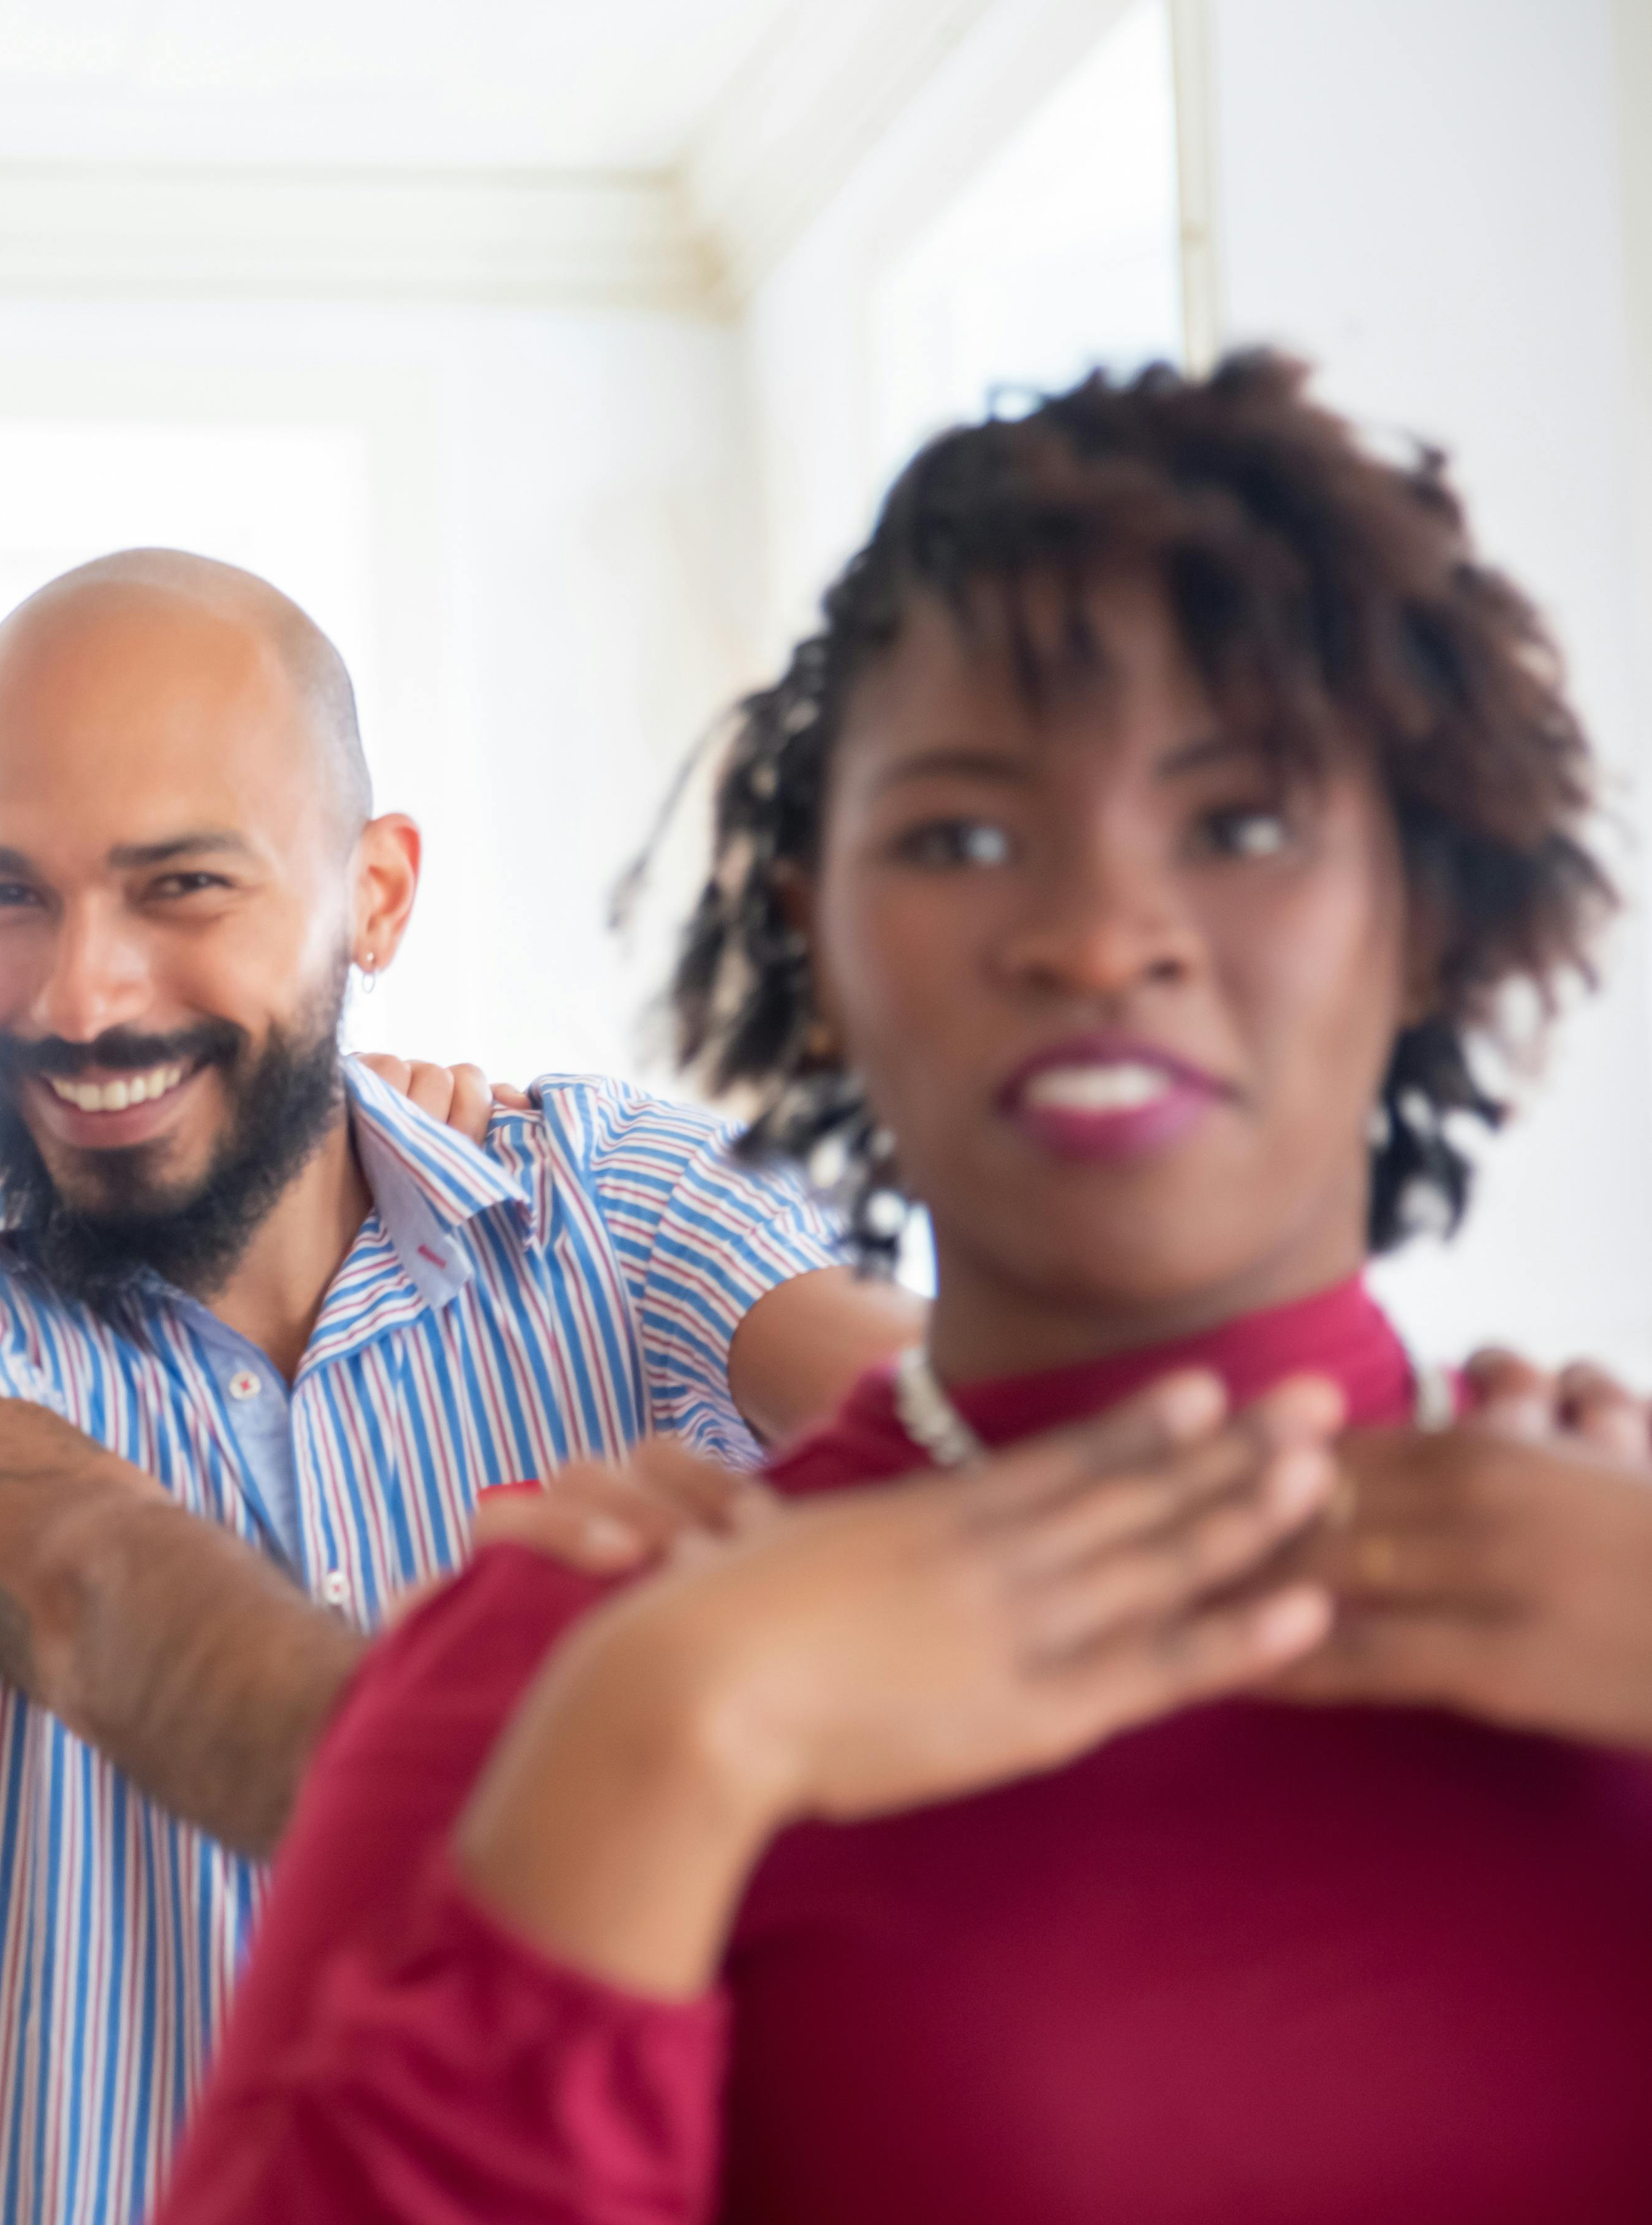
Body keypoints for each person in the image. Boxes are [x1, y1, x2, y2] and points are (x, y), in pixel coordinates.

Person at [155, 353, 1652, 2222]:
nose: (1098, 934)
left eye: (1242, 822)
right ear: (817, 928)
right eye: (958, 833)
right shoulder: (578, 1664)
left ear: (1422, 907)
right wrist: (672, 1745)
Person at [0, 549, 931, 2221]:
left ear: (375, 891)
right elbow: (83, 1589)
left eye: (181, 885)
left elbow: (950, 1424)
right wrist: (630, 1771)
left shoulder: (617, 1205)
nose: (80, 992)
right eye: (1, 893)